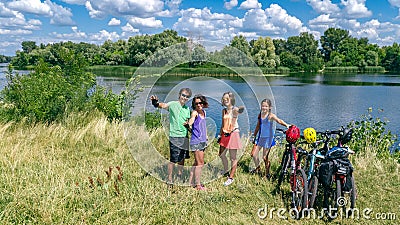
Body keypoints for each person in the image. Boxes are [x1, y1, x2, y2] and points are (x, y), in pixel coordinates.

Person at [150, 88, 192, 186]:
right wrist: (155, 103)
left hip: (184, 137)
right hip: (175, 136)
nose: (184, 98)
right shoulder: (173, 104)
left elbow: (189, 124)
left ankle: (179, 175)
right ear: (179, 95)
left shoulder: (187, 109)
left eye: (187, 96)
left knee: (182, 158)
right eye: (183, 95)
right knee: (173, 159)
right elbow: (162, 105)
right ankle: (169, 179)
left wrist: (189, 126)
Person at [250, 98, 290, 179]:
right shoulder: (260, 115)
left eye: (266, 106)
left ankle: (267, 174)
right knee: (253, 154)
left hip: (267, 139)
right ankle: (258, 169)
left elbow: (279, 120)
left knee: (265, 157)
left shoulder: (270, 115)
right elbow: (258, 126)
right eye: (263, 106)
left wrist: (287, 125)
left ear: (269, 107)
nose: (264, 108)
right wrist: (254, 135)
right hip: (260, 138)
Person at [218, 91, 244, 186]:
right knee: (221, 154)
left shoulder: (235, 110)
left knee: (233, 158)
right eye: (224, 99)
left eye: (227, 99)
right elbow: (222, 123)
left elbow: (241, 110)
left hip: (233, 134)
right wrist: (220, 135)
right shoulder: (224, 111)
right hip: (225, 134)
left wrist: (240, 109)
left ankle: (231, 177)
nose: (225, 100)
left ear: (231, 99)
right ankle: (226, 170)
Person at [186, 95, 209, 191]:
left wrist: (206, 136)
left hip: (203, 140)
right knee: (200, 163)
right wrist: (189, 124)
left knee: (196, 162)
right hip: (196, 141)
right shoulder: (195, 112)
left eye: (200, 103)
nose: (199, 105)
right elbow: (191, 120)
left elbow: (203, 125)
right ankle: (198, 185)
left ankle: (190, 181)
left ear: (203, 103)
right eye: (196, 103)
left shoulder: (204, 112)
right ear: (194, 105)